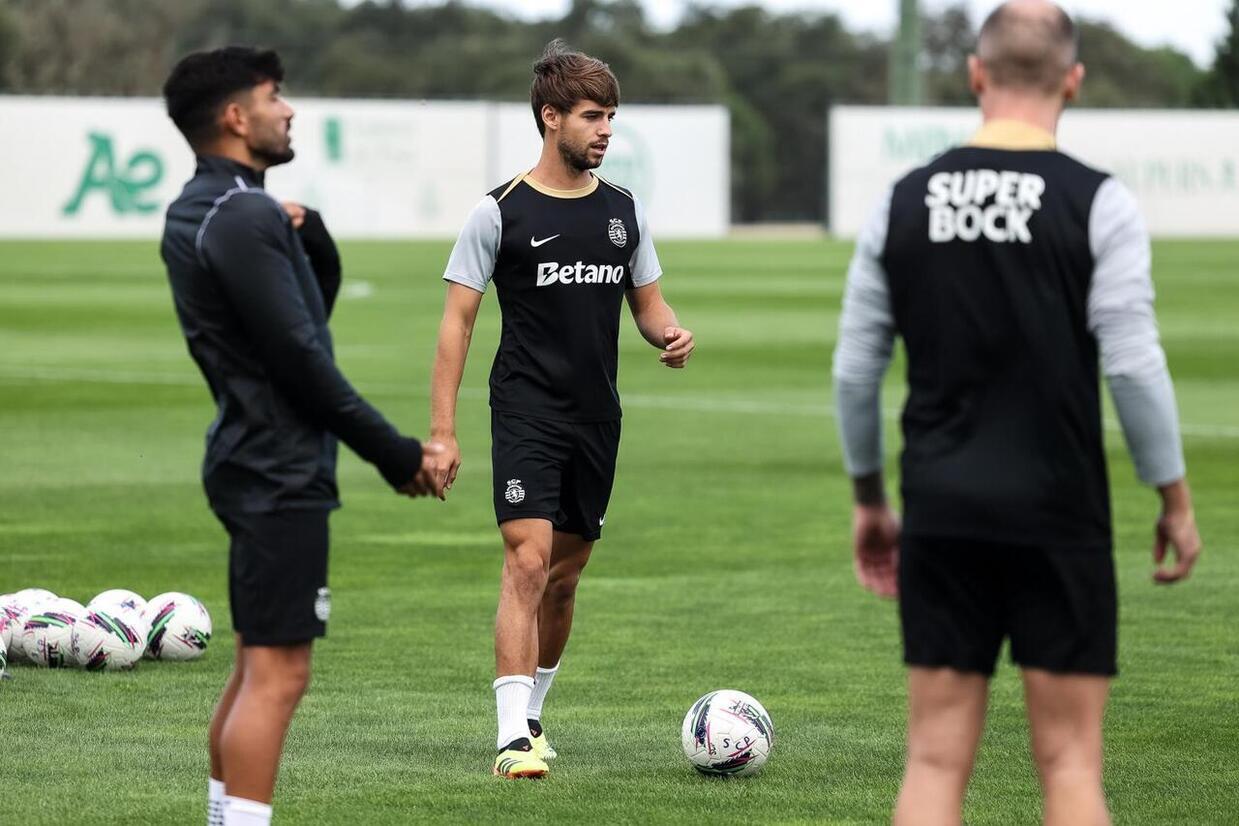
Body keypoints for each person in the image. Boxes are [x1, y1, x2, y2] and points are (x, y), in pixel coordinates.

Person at [831, 2, 1202, 824]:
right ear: (1072, 80)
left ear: (974, 75)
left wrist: (868, 498)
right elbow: (1135, 365)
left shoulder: (903, 199)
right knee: (1070, 768)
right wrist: (1171, 496)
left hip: (941, 506)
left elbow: (855, 370)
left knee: (930, 762)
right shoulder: (1098, 201)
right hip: (1057, 508)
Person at [159, 47, 443, 826]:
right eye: (274, 95)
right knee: (279, 674)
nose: (288, 109)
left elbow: (302, 313)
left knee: (258, 666)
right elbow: (304, 361)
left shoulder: (203, 208)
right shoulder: (244, 213)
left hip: (247, 456)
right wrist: (399, 456)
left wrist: (309, 232)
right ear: (234, 116)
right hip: (278, 466)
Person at [429, 39, 694, 779]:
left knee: (566, 576)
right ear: (550, 118)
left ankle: (535, 712)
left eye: (610, 116)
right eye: (590, 116)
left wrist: (667, 334)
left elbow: (647, 304)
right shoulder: (499, 212)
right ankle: (511, 737)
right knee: (527, 560)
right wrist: (443, 433)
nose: (605, 130)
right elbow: (457, 324)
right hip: (524, 411)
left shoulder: (622, 212)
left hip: (595, 417)